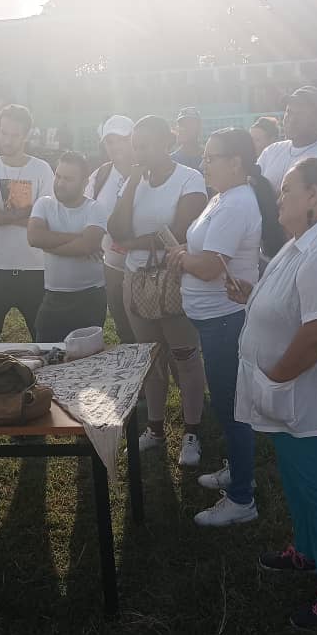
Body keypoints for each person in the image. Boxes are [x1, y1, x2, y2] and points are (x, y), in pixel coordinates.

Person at [229, 156, 317, 629]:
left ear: (314, 196)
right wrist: (253, 296)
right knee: (299, 481)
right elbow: (291, 303)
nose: (279, 197)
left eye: (288, 188)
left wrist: (275, 379)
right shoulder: (300, 245)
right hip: (291, 395)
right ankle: (307, 553)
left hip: (308, 394)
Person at [165, 128, 285, 526]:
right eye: (204, 155)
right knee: (230, 401)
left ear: (236, 162)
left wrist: (181, 258)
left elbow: (211, 265)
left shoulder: (235, 204)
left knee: (232, 406)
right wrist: (187, 254)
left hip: (225, 320)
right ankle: (238, 469)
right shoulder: (223, 197)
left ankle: (241, 498)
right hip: (214, 318)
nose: (204, 162)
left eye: (211, 156)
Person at [108, 115, 208, 465]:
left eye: (145, 145)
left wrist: (130, 243)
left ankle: (193, 432)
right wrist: (133, 184)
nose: (138, 152)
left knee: (185, 355)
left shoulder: (189, 179)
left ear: (167, 144)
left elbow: (179, 233)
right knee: (150, 358)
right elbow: (114, 227)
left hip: (175, 279)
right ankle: (155, 428)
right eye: (135, 145)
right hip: (136, 280)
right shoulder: (133, 181)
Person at [0, 104, 55, 342]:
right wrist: (28, 212)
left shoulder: (41, 169)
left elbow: (45, 221)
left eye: (14, 134)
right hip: (0, 268)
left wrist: (4, 213)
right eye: (3, 132)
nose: (7, 140)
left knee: (43, 339)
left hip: (36, 270)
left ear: (26, 135)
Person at [28, 151, 108, 342]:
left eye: (68, 179)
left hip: (89, 298)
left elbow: (87, 246)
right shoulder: (44, 204)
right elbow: (34, 237)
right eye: (58, 176)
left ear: (85, 182)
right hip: (52, 297)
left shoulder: (94, 208)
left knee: (86, 362)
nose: (60, 183)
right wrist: (78, 238)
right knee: (47, 360)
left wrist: (49, 245)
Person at [87, 115, 137, 344]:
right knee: (124, 328)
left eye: (122, 139)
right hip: (113, 266)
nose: (116, 146)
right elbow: (86, 212)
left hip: (146, 266)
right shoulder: (100, 176)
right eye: (110, 141)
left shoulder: (148, 173)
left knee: (153, 331)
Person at [257, 86, 317, 194]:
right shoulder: (271, 151)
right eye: (289, 112)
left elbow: (310, 202)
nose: (291, 120)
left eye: (300, 114)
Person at [171, 107, 204, 172]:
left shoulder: (209, 158)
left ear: (199, 128)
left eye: (190, 124)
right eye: (182, 125)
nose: (184, 128)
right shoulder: (171, 160)